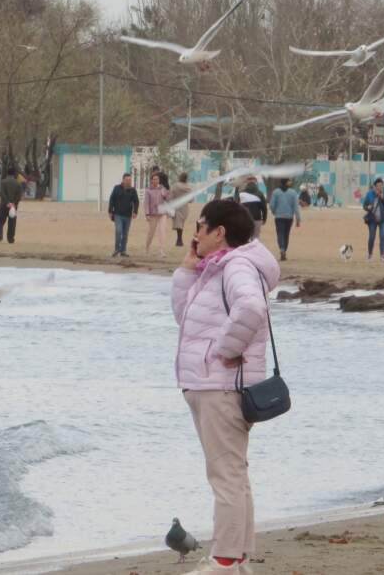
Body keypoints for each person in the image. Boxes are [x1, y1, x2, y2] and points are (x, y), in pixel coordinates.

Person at [171, 199, 280, 572]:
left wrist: (223, 350)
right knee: (233, 471)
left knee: (226, 475)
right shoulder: (215, 268)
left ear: (220, 233)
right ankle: (238, 557)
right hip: (210, 384)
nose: (195, 233)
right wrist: (187, 270)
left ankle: (226, 559)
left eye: (200, 226)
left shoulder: (236, 268)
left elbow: (251, 308)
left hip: (220, 386)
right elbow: (184, 319)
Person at [269, 178, 302, 261]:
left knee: (280, 233)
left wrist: (274, 212)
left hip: (279, 217)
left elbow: (272, 205)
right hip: (289, 217)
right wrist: (298, 219)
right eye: (289, 181)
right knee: (286, 234)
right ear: (287, 182)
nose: (291, 182)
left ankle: (282, 248)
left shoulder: (276, 192)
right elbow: (296, 207)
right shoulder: (293, 192)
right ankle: (284, 250)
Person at [108, 172, 139, 257]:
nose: (128, 181)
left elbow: (136, 201)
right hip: (118, 214)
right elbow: (112, 199)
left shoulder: (133, 190)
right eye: (127, 180)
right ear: (123, 180)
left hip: (128, 216)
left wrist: (135, 212)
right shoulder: (117, 188)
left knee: (125, 233)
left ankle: (123, 251)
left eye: (130, 180)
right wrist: (110, 211)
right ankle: (116, 249)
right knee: (118, 231)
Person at [362, 177, 384, 263]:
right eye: (378, 186)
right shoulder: (369, 194)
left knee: (382, 236)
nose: (380, 187)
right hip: (372, 219)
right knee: (372, 237)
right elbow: (364, 205)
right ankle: (370, 255)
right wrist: (367, 207)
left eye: (381, 185)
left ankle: (382, 256)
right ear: (375, 186)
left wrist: (383, 197)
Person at [144, 172, 172, 257]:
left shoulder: (162, 188)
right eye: (154, 179)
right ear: (151, 180)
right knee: (151, 232)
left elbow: (168, 199)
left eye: (157, 179)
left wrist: (166, 194)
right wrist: (147, 214)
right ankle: (147, 248)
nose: (156, 180)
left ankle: (161, 250)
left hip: (162, 213)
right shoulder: (148, 190)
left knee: (162, 232)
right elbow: (146, 203)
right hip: (152, 214)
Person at [0, 166, 22, 244]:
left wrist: (7, 203)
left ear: (7, 173)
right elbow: (19, 196)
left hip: (4, 205)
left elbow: (1, 193)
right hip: (13, 206)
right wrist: (13, 204)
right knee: (12, 223)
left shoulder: (3, 182)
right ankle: (10, 239)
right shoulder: (17, 183)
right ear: (14, 174)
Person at [170, 172, 193, 248]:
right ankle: (179, 240)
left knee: (178, 223)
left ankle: (179, 240)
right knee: (181, 224)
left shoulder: (175, 186)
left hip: (177, 206)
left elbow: (171, 196)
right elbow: (191, 200)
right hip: (185, 208)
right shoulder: (188, 187)